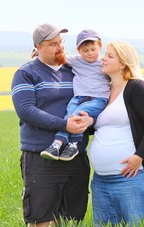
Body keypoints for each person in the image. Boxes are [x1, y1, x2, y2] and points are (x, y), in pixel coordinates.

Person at [11, 23, 93, 227]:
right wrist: (63, 124)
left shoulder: (74, 70)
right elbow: (26, 110)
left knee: (72, 223)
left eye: (61, 43)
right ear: (38, 47)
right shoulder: (26, 73)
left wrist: (89, 121)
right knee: (41, 226)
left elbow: (95, 96)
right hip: (41, 155)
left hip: (76, 154)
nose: (59, 47)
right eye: (52, 44)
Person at [89, 41, 144, 227]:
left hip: (134, 176)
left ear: (123, 63)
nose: (103, 58)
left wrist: (139, 156)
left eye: (109, 56)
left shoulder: (136, 87)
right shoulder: (104, 91)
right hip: (101, 180)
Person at [39, 29, 110, 161]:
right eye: (85, 50)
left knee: (76, 115)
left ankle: (70, 144)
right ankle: (59, 144)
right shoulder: (76, 61)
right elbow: (58, 58)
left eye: (93, 49)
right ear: (79, 51)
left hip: (98, 99)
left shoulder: (104, 64)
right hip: (78, 98)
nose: (89, 53)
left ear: (100, 47)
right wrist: (39, 52)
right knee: (69, 116)